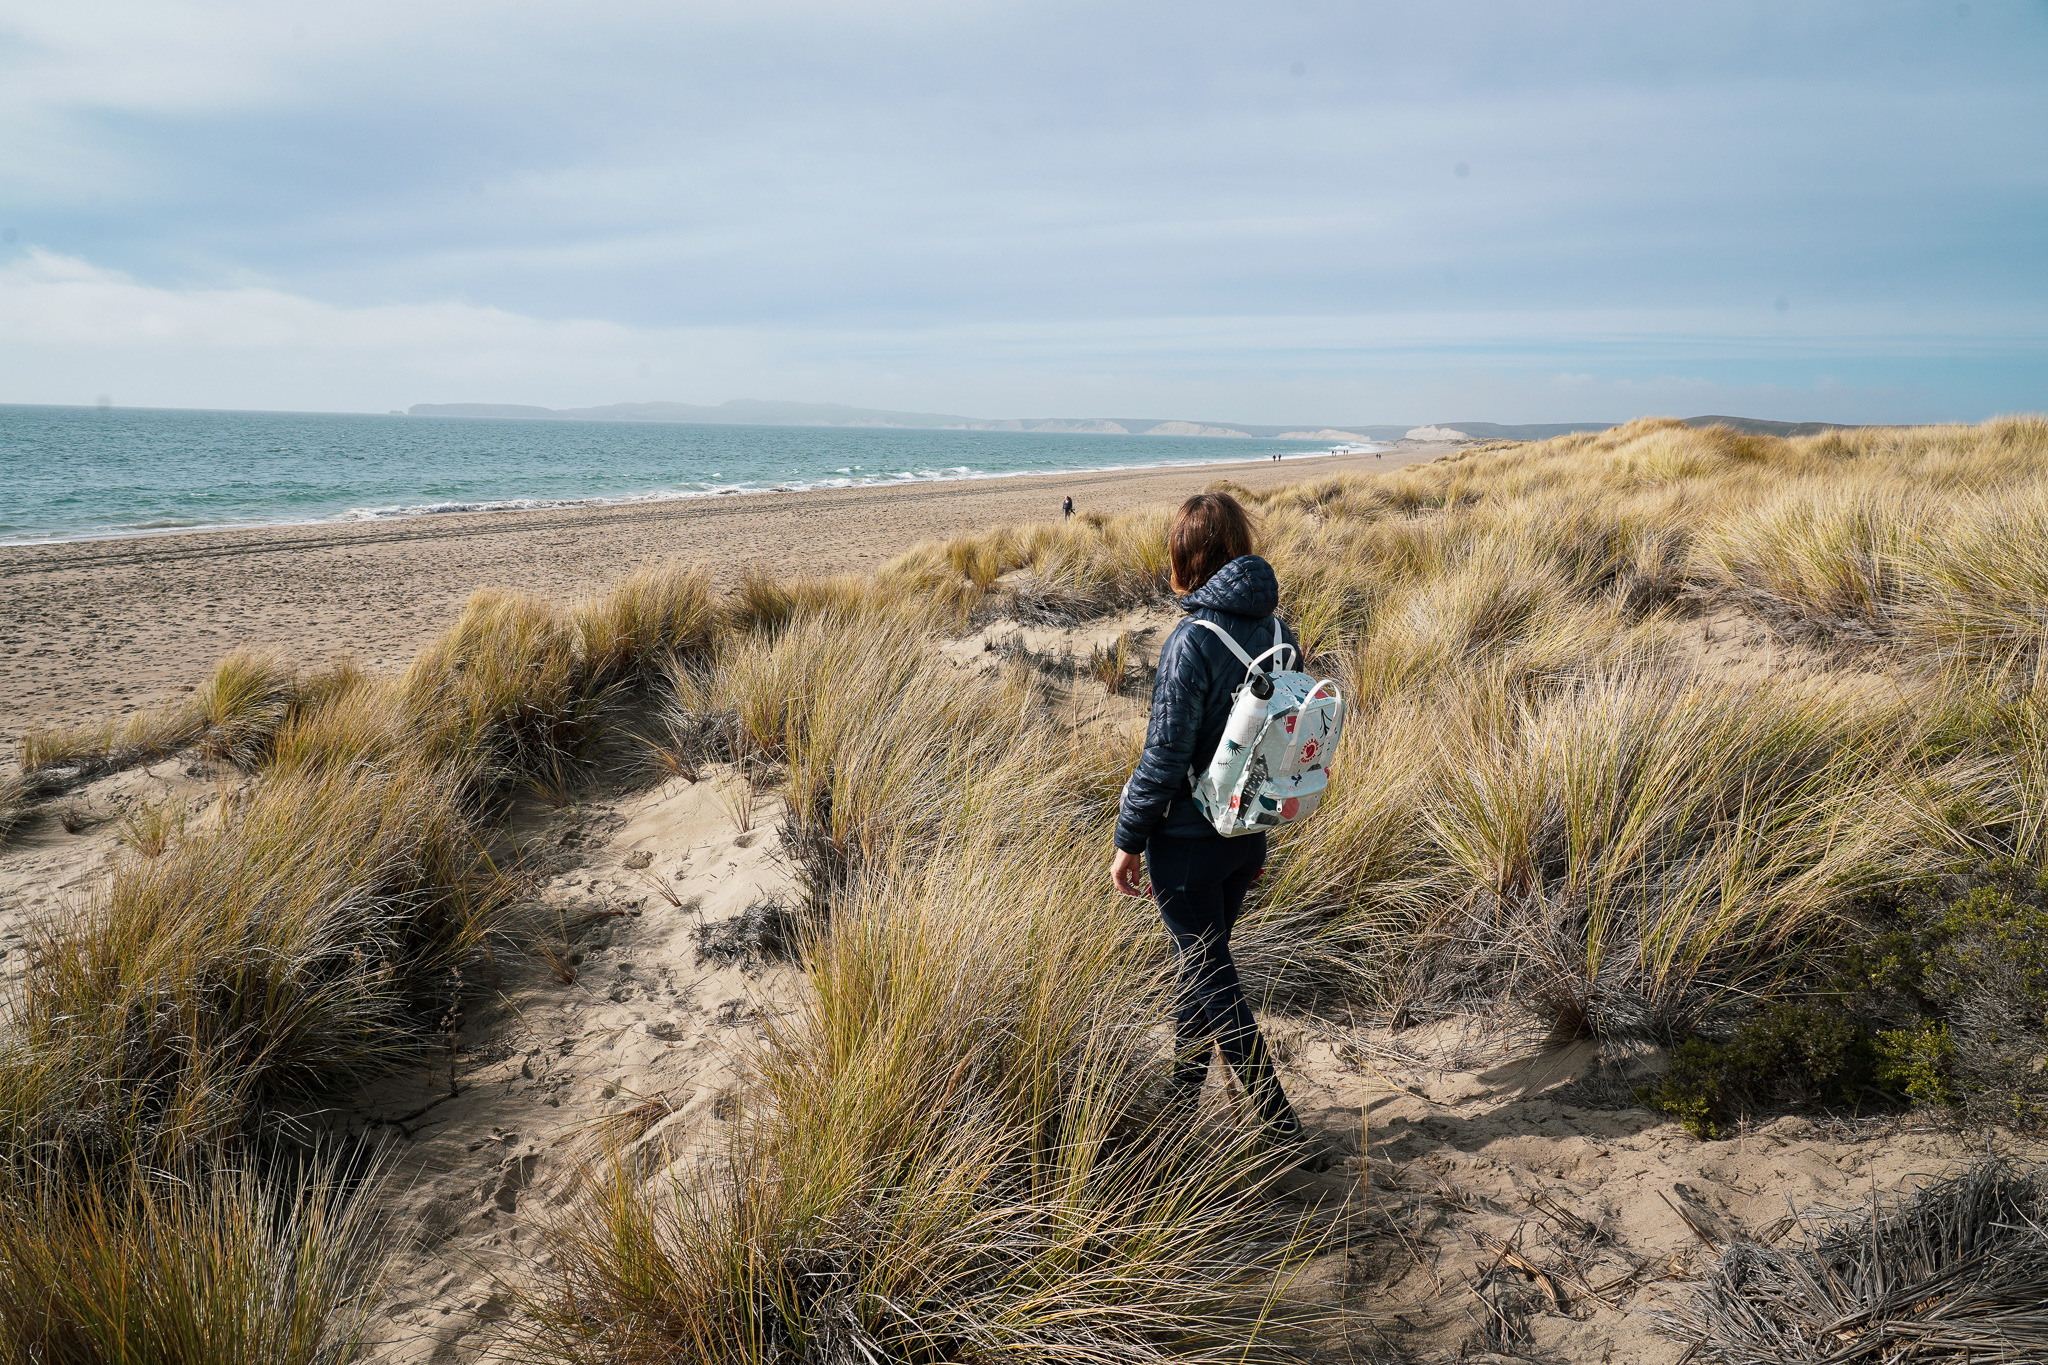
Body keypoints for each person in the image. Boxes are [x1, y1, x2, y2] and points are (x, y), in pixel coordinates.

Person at [1110, 491, 1333, 1171]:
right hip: (1249, 834)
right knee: (1201, 974)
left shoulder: (1192, 642)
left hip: (1185, 843)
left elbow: (1163, 757)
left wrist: (1126, 839)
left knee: (1209, 969)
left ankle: (1279, 1128)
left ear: (1187, 556)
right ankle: (1180, 1109)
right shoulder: (1282, 632)